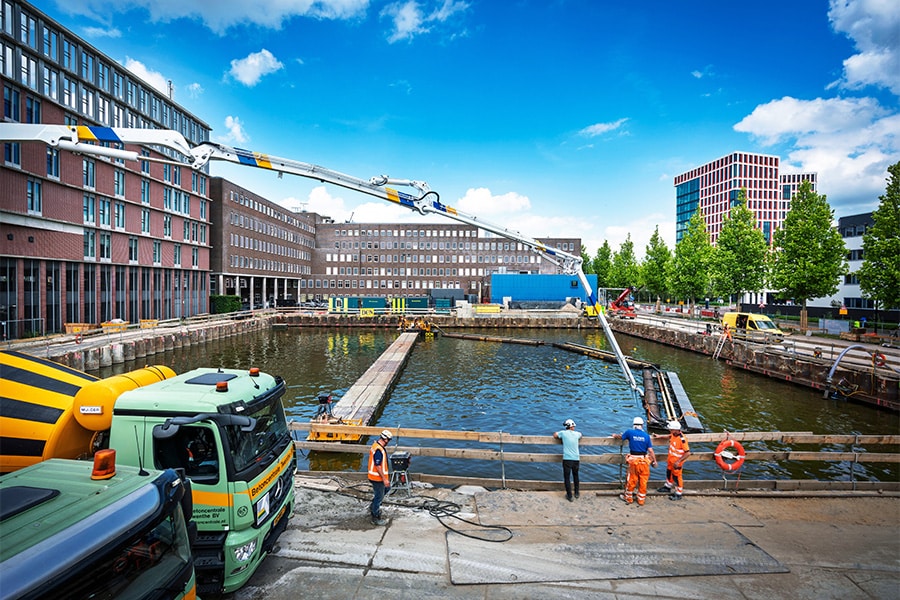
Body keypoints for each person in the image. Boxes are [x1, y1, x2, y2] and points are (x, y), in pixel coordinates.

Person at [612, 416, 657, 506]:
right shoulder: (646, 436)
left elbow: (621, 437)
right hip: (644, 461)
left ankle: (628, 498)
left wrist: (614, 435)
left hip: (634, 461)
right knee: (643, 480)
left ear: (634, 425)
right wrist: (654, 461)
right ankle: (641, 500)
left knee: (631, 479)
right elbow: (651, 450)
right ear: (642, 425)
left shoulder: (630, 432)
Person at [656, 421, 691, 501]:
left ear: (676, 430)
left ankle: (679, 493)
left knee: (677, 477)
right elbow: (668, 436)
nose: (670, 431)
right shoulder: (673, 435)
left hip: (676, 463)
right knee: (669, 473)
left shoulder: (682, 439)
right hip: (671, 460)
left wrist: (678, 462)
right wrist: (659, 436)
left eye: (671, 429)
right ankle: (668, 486)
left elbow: (688, 453)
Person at [553, 418, 583, 502]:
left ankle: (569, 495)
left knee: (567, 477)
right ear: (572, 426)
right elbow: (581, 435)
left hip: (567, 459)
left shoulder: (563, 433)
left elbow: (555, 435)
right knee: (576, 475)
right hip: (576, 458)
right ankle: (576, 493)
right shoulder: (577, 434)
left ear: (566, 426)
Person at [367, 430, 393, 525]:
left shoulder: (376, 446)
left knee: (387, 489)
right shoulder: (378, 449)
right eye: (388, 440)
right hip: (377, 478)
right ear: (385, 439)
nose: (389, 442)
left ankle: (373, 506)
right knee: (379, 496)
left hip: (375, 477)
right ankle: (375, 517)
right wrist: (385, 479)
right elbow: (378, 466)